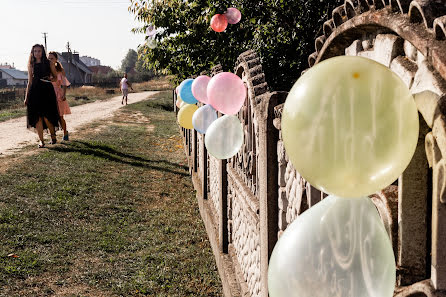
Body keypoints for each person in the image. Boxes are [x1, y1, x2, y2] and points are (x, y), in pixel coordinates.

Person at [24, 44, 60, 148]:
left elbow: (55, 77)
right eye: (35, 51)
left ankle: (53, 136)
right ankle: (41, 141)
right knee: (37, 118)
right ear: (32, 52)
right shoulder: (31, 64)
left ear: (42, 52)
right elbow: (29, 82)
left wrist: (50, 79)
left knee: (47, 117)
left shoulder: (49, 63)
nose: (37, 53)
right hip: (34, 92)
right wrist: (26, 97)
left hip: (47, 92)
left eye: (39, 51)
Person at [48, 51, 71, 141]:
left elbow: (64, 84)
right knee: (50, 116)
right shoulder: (47, 70)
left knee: (60, 116)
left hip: (58, 94)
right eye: (48, 58)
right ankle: (53, 136)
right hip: (49, 94)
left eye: (52, 58)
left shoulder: (60, 71)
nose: (50, 60)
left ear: (56, 60)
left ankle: (65, 132)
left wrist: (64, 95)